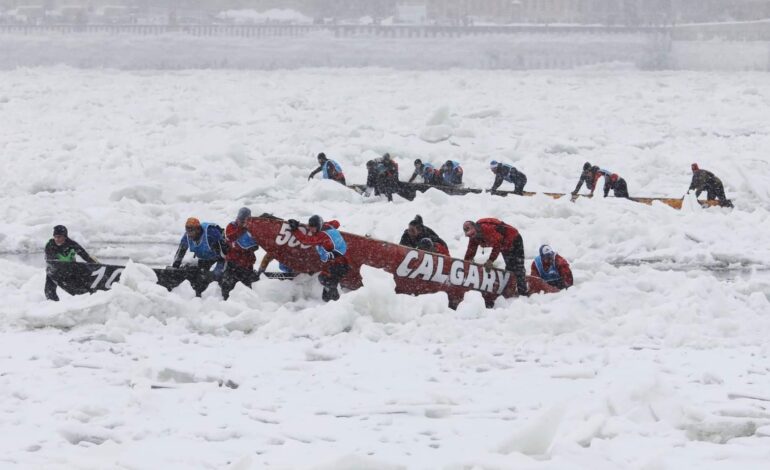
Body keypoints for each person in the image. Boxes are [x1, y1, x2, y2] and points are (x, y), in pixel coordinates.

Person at [287, 215, 349, 302]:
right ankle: (329, 300)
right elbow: (337, 223)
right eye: (309, 226)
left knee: (325, 279)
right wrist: (302, 225)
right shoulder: (329, 226)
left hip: (338, 266)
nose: (310, 229)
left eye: (312, 227)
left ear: (318, 226)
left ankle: (337, 303)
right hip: (341, 263)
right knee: (325, 282)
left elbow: (306, 240)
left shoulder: (322, 236)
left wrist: (295, 230)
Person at [463, 218, 528, 296]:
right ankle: (510, 289)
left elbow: (497, 245)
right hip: (504, 245)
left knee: (518, 266)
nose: (472, 237)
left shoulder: (487, 229)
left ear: (476, 228)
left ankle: (523, 292)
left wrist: (490, 260)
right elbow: (471, 250)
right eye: (470, 236)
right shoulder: (473, 237)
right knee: (510, 267)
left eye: (473, 234)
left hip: (514, 239)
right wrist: (466, 262)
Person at [171, 217, 227, 296]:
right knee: (195, 273)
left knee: (216, 276)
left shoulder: (211, 233)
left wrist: (218, 272)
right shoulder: (187, 236)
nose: (189, 234)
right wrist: (175, 267)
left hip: (220, 256)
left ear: (198, 229)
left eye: (191, 231)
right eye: (187, 231)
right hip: (205, 257)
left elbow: (224, 253)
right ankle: (198, 292)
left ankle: (220, 294)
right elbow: (180, 252)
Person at [44, 225, 98, 301]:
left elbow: (84, 255)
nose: (57, 239)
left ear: (65, 236)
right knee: (49, 290)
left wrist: (95, 265)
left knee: (78, 287)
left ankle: (88, 298)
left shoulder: (72, 244)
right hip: (54, 270)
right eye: (55, 237)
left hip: (70, 270)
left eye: (59, 237)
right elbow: (50, 260)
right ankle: (52, 304)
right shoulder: (50, 245)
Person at [220, 207, 260, 300]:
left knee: (248, 291)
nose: (242, 223)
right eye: (240, 221)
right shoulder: (231, 226)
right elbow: (230, 237)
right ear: (237, 218)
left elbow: (256, 245)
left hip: (247, 264)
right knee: (226, 287)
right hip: (232, 263)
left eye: (244, 221)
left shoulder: (253, 228)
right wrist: (242, 229)